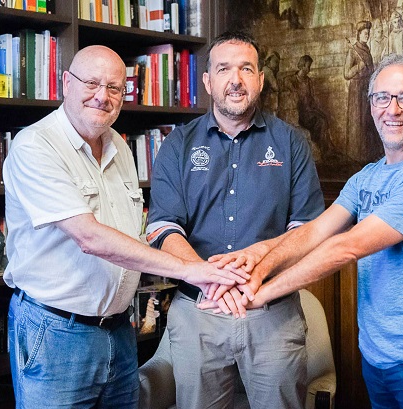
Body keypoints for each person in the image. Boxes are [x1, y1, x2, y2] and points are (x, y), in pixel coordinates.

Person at [2, 45, 249, 409]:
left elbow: (134, 234)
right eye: (91, 83)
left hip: (119, 330)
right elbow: (89, 237)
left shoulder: (119, 144)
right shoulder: (35, 146)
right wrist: (192, 270)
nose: (102, 96)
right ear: (65, 83)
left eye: (114, 88)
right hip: (56, 332)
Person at [227, 53, 403, 409]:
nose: (393, 109)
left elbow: (346, 248)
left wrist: (260, 294)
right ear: (371, 106)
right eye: (382, 97)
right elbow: (314, 233)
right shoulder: (367, 177)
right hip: (377, 355)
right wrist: (255, 262)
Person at [146, 31, 324, 409]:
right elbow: (163, 226)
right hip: (198, 312)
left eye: (246, 68)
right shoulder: (178, 144)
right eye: (224, 68)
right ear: (208, 81)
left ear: (260, 80)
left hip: (271, 310)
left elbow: (308, 230)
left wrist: (253, 278)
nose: (236, 79)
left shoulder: (291, 143)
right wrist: (211, 280)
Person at [344, 21, 384, 165]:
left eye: (368, 33)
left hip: (366, 88)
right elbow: (347, 74)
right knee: (359, 122)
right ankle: (358, 155)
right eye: (365, 33)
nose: (367, 35)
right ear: (359, 34)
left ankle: (370, 153)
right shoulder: (352, 50)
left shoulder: (366, 49)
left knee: (368, 121)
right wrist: (359, 66)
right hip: (356, 91)